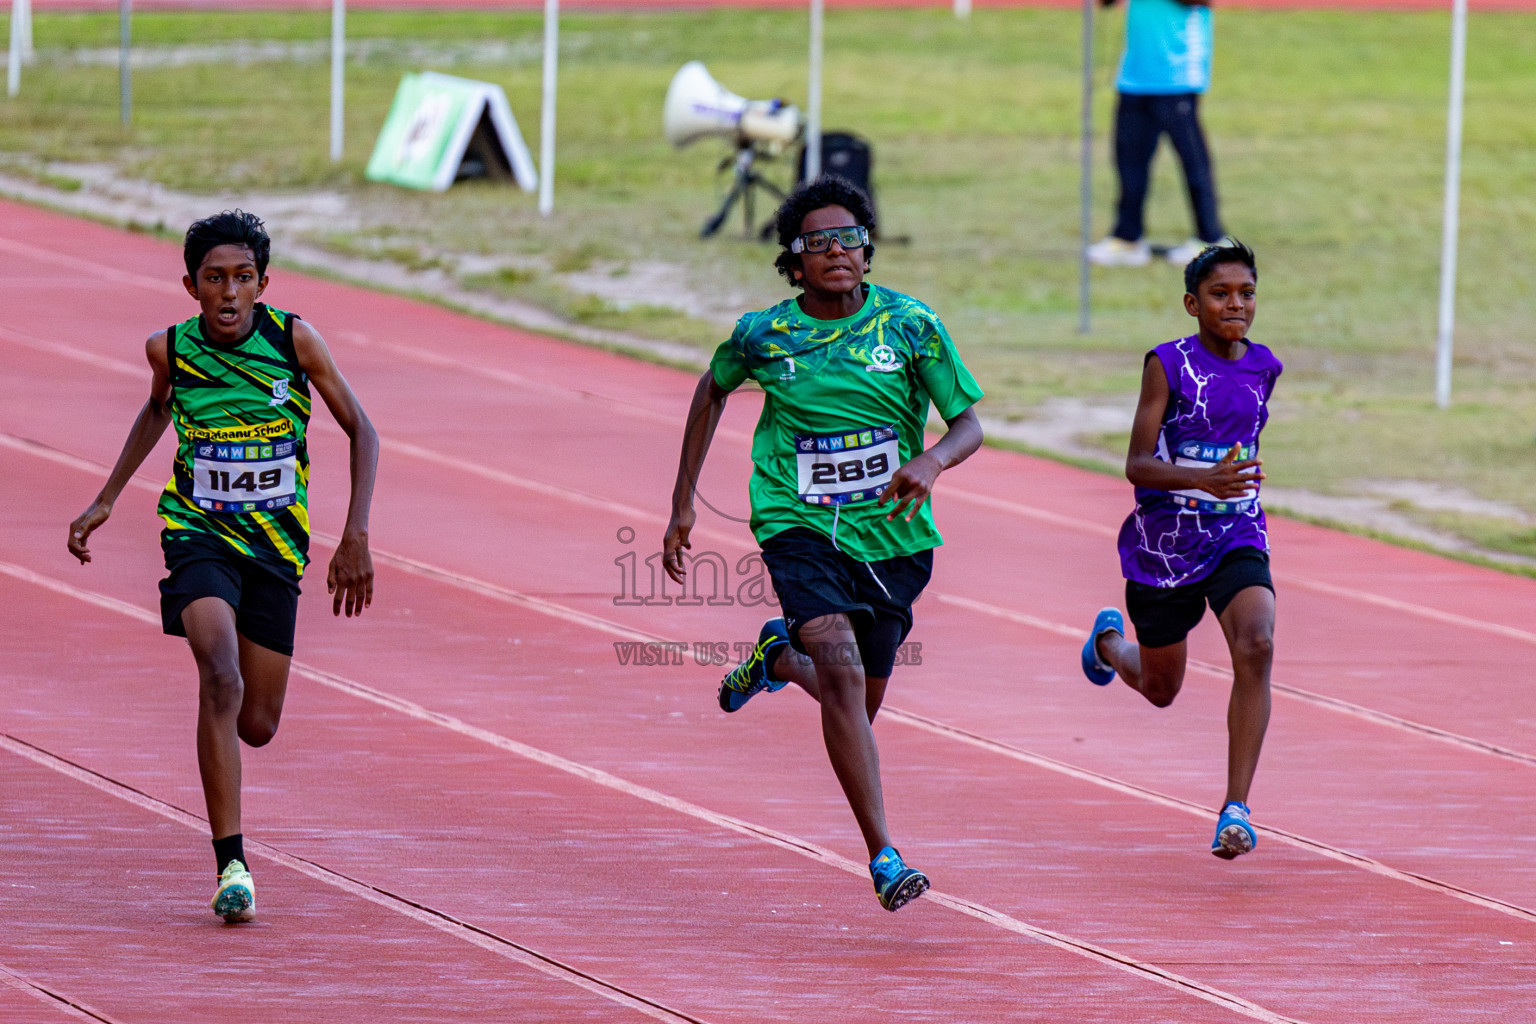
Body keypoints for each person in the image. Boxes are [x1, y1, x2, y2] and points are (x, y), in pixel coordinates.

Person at [663, 177, 984, 911]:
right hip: (796, 523)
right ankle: (884, 856)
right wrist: (683, 500)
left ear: (868, 252)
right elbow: (711, 389)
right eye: (816, 243)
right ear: (794, 262)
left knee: (856, 703)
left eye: (847, 238)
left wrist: (931, 460)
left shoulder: (910, 325)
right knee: (840, 679)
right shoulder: (763, 335)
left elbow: (968, 421)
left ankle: (777, 657)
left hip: (895, 535)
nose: (834, 251)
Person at [67, 210, 379, 921]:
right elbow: (156, 411)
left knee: (258, 721)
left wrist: (355, 533)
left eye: (243, 278)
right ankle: (231, 862)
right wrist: (106, 498)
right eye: (215, 279)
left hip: (275, 548)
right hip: (197, 532)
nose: (229, 293)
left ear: (264, 284)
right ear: (190, 286)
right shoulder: (169, 350)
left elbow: (362, 428)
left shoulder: (294, 341)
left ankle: (232, 726)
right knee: (220, 675)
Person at [1080, 240, 1279, 858]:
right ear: (1193, 304)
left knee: (1258, 642)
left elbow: (1236, 444)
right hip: (1164, 545)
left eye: (1246, 293)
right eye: (1221, 294)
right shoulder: (1167, 365)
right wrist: (1202, 480)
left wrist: (1228, 488)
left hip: (1236, 533)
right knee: (1162, 688)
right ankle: (1110, 646)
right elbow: (1138, 465)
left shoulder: (1265, 366)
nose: (1236, 305)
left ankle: (1235, 809)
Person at [1086, 0, 1228, 268]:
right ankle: (1128, 238)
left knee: (1192, 160)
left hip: (1178, 73)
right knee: (1129, 163)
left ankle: (1211, 237)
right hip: (1135, 74)